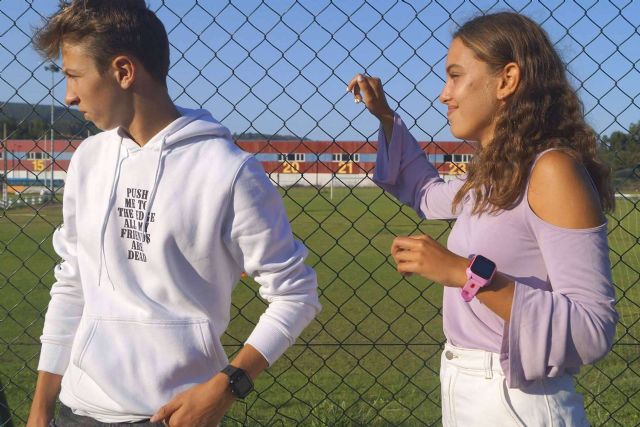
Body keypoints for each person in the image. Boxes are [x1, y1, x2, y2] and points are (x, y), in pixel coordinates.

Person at [27, 1, 320, 426]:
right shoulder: (88, 159)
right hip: (77, 411)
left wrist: (227, 386)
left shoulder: (228, 171)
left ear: (123, 72)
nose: (68, 95)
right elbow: (72, 281)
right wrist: (41, 408)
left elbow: (296, 294)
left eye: (74, 75)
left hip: (172, 417)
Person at [348, 12, 617, 426]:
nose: (444, 94)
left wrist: (464, 273)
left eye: (455, 76)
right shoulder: (493, 176)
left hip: (517, 400)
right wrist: (386, 118)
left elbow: (592, 328)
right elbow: (425, 193)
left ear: (507, 80)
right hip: (466, 388)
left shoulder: (552, 171)